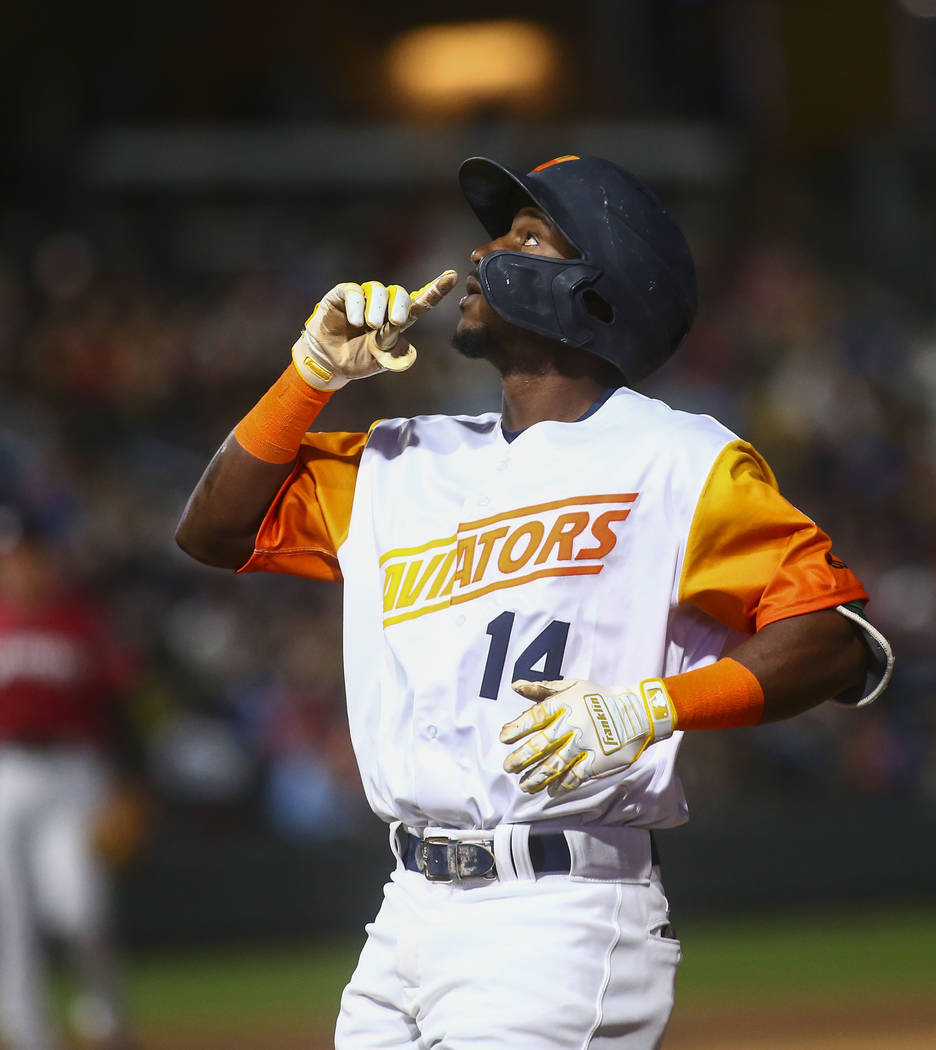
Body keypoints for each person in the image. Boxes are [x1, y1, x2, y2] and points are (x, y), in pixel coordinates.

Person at [176, 154, 893, 1049]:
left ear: (596, 290)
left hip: (562, 912)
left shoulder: (678, 459)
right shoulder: (403, 457)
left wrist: (651, 707)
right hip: (404, 911)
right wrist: (310, 374)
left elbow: (834, 643)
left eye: (524, 236)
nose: (482, 254)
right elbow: (213, 533)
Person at [0, 506, 142, 1050]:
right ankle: (29, 1036)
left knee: (80, 906)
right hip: (7, 774)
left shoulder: (80, 620)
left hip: (74, 773)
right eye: (13, 558)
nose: (22, 567)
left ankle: (105, 1013)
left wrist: (131, 784)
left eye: (29, 556)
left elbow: (122, 707)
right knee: (10, 919)